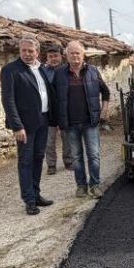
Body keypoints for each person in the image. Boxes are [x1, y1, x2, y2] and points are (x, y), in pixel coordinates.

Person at [0, 35, 55, 215]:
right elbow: (8, 100)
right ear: (19, 51)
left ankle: (36, 194)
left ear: (37, 52)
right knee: (25, 162)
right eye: (23, 50)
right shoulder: (11, 70)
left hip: (43, 120)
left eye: (31, 51)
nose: (27, 54)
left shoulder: (41, 69)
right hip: (25, 125)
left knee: (38, 158)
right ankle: (29, 200)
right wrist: (17, 126)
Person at [52, 40, 110, 199]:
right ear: (66, 56)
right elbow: (54, 99)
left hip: (90, 122)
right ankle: (81, 186)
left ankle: (95, 185)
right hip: (70, 124)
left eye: (78, 53)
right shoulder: (59, 75)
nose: (75, 56)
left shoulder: (93, 71)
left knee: (94, 155)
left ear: (83, 54)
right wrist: (57, 121)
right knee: (76, 157)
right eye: (71, 53)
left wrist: (104, 110)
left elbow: (106, 92)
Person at [43, 45, 72, 175]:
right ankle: (51, 164)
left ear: (61, 56)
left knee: (67, 138)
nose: (53, 59)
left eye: (56, 56)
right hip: (48, 112)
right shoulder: (42, 72)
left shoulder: (67, 71)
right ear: (47, 58)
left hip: (65, 110)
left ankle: (69, 161)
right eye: (50, 57)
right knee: (49, 141)